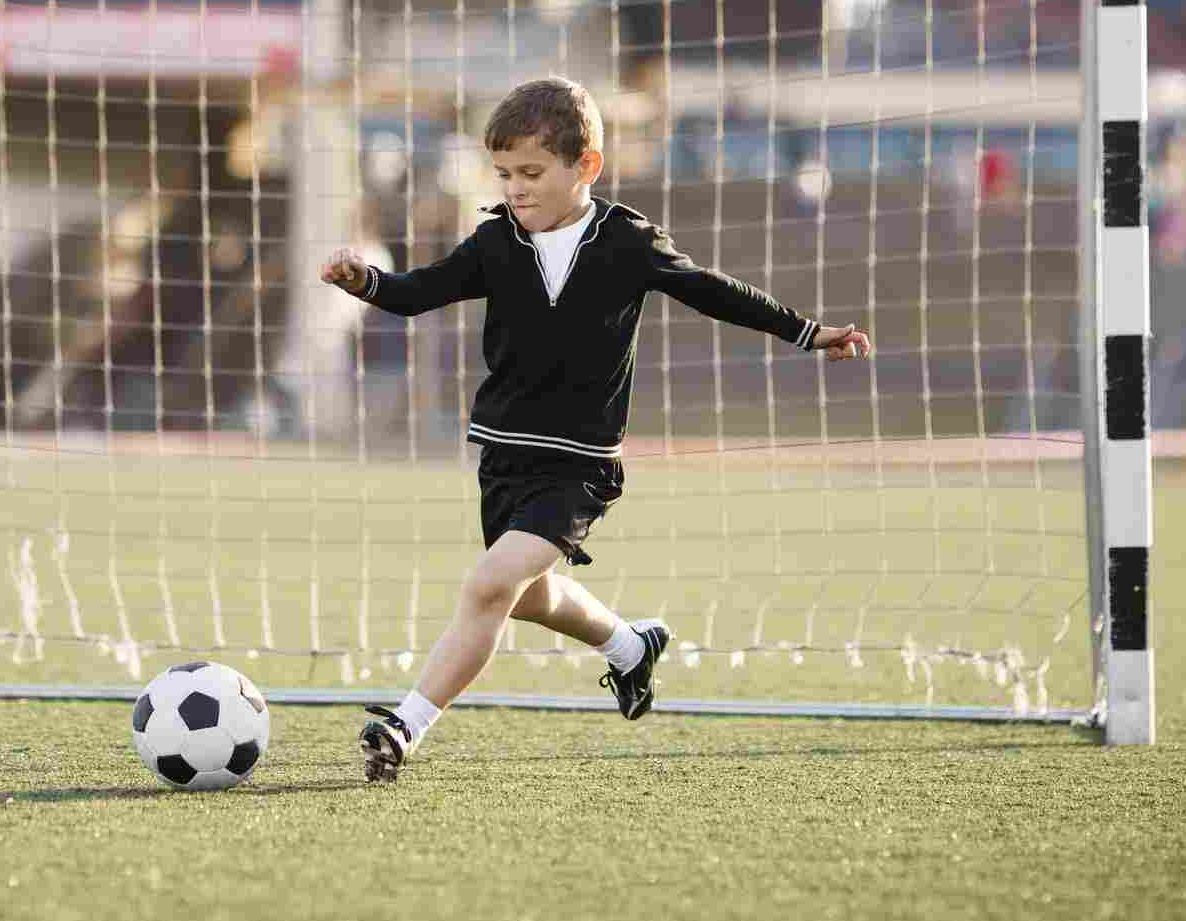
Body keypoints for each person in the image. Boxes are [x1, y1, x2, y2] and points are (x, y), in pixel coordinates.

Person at [318, 76, 874, 782]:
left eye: (532, 172)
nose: (516, 188)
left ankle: (403, 727)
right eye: (505, 174)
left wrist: (809, 333)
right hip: (502, 456)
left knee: (491, 585)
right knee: (527, 596)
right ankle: (629, 647)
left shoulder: (626, 241)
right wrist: (365, 280)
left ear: (586, 166)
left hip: (579, 465)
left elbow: (711, 289)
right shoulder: (495, 241)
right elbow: (417, 292)